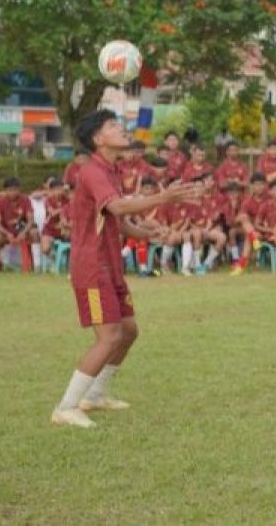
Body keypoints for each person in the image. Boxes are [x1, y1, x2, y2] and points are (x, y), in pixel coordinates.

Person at [50, 109, 200, 429]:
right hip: (91, 268)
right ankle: (66, 406)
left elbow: (114, 218)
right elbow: (117, 207)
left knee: (128, 331)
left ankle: (96, 394)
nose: (123, 129)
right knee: (108, 336)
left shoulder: (112, 169)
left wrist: (142, 232)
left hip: (110, 265)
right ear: (98, 138)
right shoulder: (91, 171)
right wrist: (165, 196)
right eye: (114, 126)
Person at [0, 177, 39, 270]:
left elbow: (30, 220)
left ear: (19, 189)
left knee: (34, 233)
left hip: (21, 228)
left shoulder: (25, 200)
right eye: (10, 190)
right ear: (5, 190)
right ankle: (4, 261)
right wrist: (7, 234)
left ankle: (37, 265)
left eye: (15, 190)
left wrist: (23, 232)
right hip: (5, 230)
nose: (13, 193)